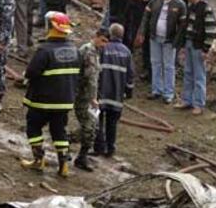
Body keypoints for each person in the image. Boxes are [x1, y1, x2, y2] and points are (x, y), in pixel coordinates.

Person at [21, 12, 81, 178]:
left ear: (51, 28)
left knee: (33, 126)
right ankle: (63, 166)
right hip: (64, 101)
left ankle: (38, 160)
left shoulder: (44, 50)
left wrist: (24, 76)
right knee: (59, 131)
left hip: (42, 101)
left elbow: (32, 72)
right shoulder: (75, 51)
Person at [139, 0, 186, 104]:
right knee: (156, 63)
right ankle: (156, 90)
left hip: (169, 40)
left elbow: (182, 26)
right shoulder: (155, 0)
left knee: (169, 66)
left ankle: (168, 93)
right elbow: (146, 17)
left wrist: (178, 41)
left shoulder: (179, 5)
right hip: (154, 37)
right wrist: (142, 32)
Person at [174, 0, 216, 116]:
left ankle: (199, 104)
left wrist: (205, 49)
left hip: (198, 46)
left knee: (199, 75)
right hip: (189, 43)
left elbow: (211, 30)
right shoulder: (190, 7)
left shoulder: (205, 9)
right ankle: (187, 100)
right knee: (188, 73)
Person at [94, 23, 134, 157]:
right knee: (112, 123)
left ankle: (98, 147)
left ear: (110, 34)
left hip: (102, 92)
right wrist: (129, 91)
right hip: (117, 95)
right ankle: (110, 149)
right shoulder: (127, 52)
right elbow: (130, 75)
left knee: (98, 120)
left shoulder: (103, 49)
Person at [74, 28, 110, 171]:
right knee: (89, 127)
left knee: (91, 126)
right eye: (102, 40)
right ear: (96, 37)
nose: (104, 44)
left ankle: (75, 149)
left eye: (106, 42)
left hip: (85, 94)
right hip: (83, 95)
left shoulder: (95, 51)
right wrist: (93, 98)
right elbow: (91, 78)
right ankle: (76, 152)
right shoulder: (89, 51)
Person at [137, 0, 164, 79]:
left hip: (153, 10)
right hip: (140, 8)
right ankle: (145, 66)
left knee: (151, 38)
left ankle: (153, 68)